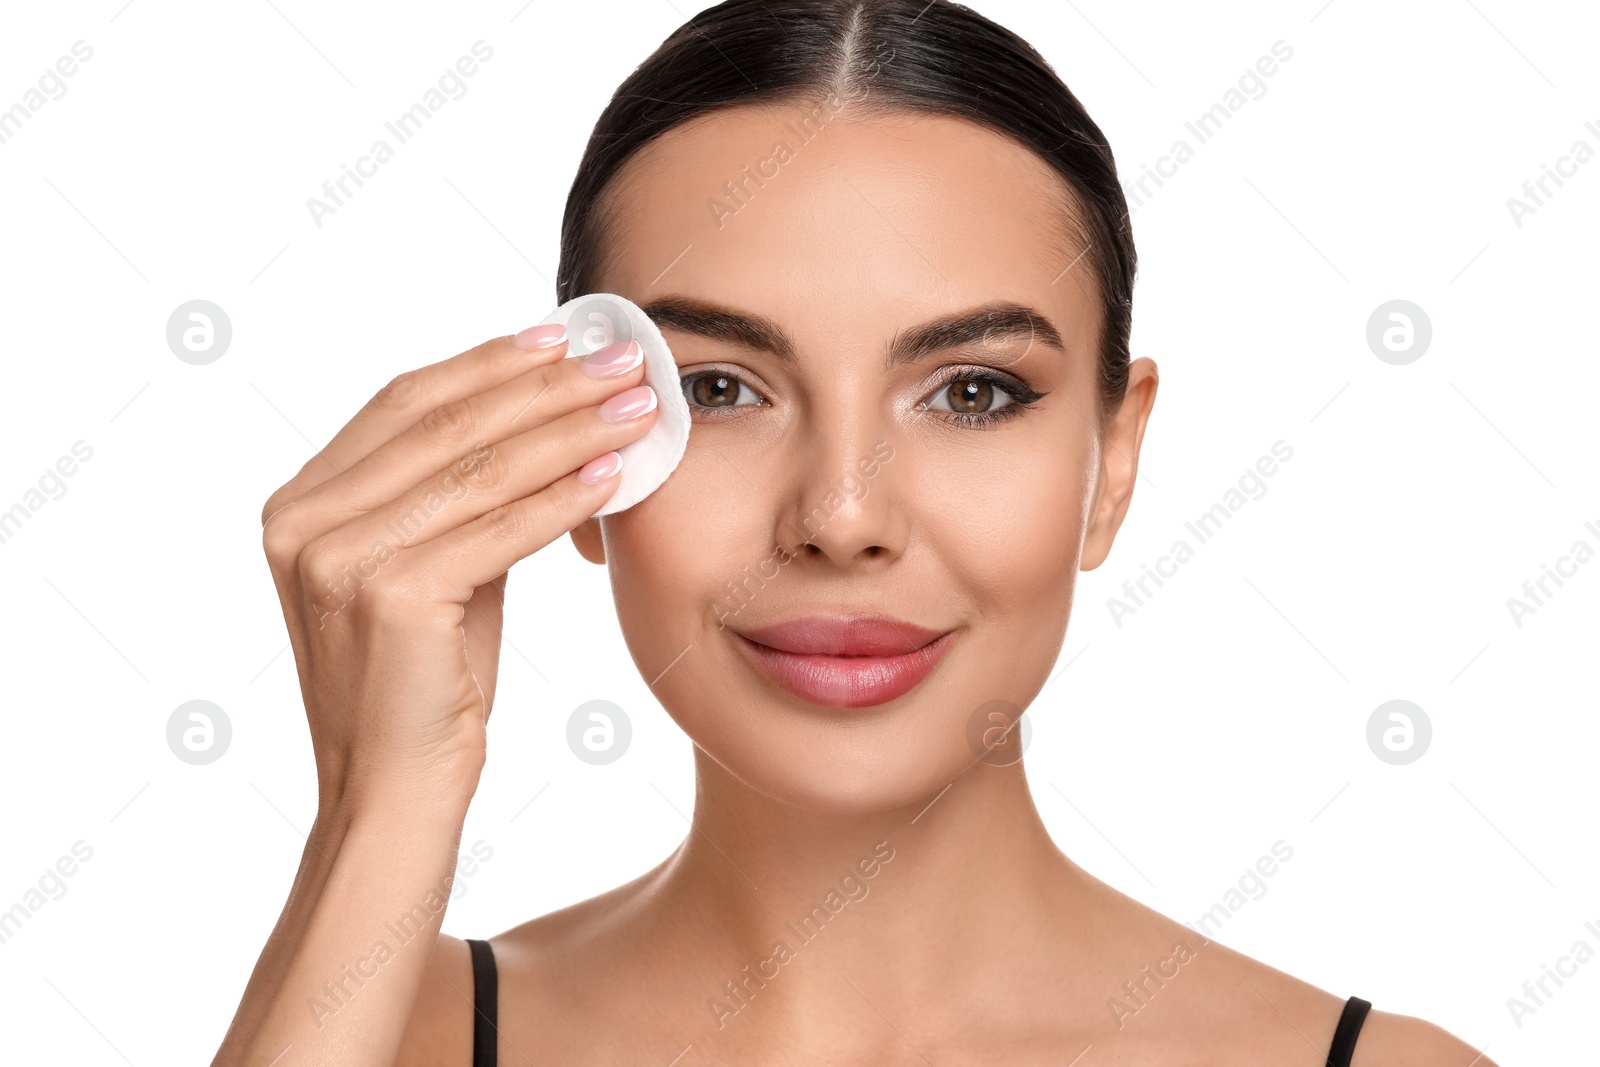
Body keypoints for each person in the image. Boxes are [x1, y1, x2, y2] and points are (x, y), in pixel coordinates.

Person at [213, 1, 1494, 1063]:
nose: (838, 517)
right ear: (579, 450)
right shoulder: (377, 1031)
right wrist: (375, 814)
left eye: (973, 392)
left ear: (1114, 462)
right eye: (718, 388)